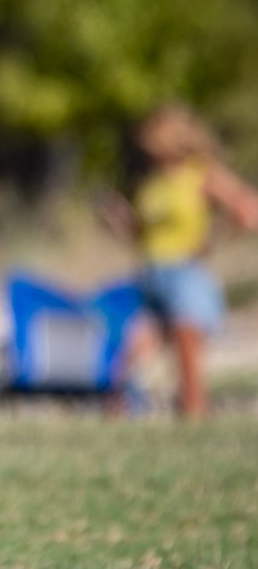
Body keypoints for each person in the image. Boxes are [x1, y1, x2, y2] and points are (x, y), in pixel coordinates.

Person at [99, 104, 258, 418]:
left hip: (186, 275)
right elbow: (140, 234)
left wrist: (212, 240)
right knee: (131, 352)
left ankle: (194, 420)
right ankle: (121, 418)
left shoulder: (201, 173)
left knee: (187, 358)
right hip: (152, 275)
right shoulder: (152, 181)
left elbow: (248, 210)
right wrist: (117, 219)